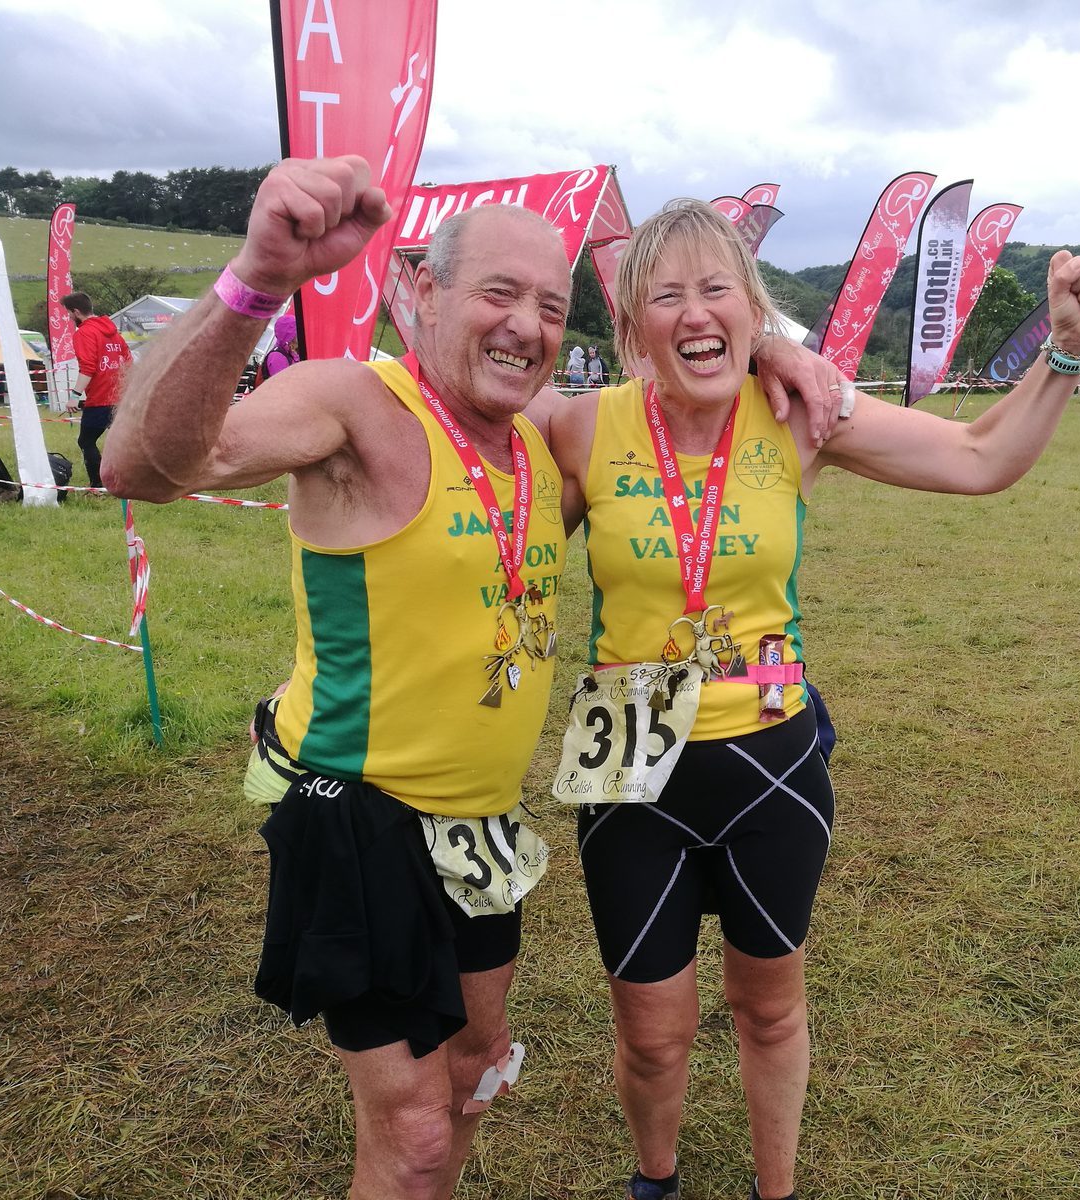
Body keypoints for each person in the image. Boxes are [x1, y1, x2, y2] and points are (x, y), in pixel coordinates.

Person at [102, 157, 844, 1200]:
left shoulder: (536, 446)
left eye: (549, 305)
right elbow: (145, 464)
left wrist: (763, 341)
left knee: (465, 1086)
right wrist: (256, 281)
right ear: (419, 293)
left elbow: (681, 367)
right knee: (407, 1135)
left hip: (486, 831)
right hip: (362, 816)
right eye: (497, 293)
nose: (526, 325)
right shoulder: (353, 403)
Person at [538, 199, 1080, 1200]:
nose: (694, 312)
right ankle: (655, 1181)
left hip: (771, 766)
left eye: (717, 288)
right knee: (650, 1033)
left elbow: (978, 458)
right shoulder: (582, 431)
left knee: (769, 1010)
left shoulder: (800, 412)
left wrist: (1061, 356)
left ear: (752, 309)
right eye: (665, 294)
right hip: (631, 775)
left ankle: (777, 1189)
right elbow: (473, 528)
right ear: (632, 327)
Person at [61, 290, 134, 490]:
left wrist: (74, 397)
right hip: (121, 397)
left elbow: (88, 368)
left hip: (101, 399)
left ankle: (98, 485)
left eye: (68, 313)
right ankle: (127, 479)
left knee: (86, 440)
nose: (68, 317)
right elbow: (128, 362)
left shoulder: (84, 333)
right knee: (120, 441)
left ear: (76, 311)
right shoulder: (113, 332)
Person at [260, 311, 302, 381]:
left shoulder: (293, 351)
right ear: (289, 336)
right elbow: (283, 385)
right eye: (297, 331)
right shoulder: (277, 357)